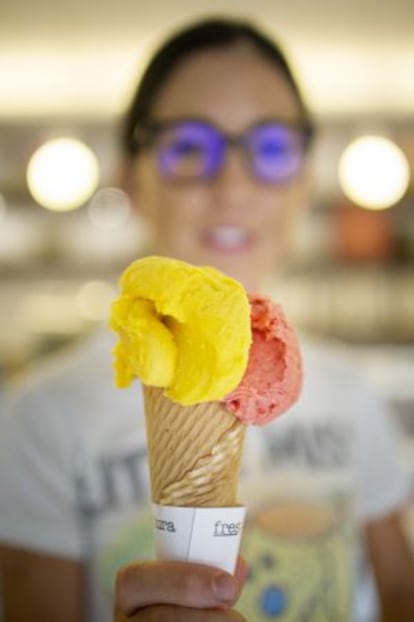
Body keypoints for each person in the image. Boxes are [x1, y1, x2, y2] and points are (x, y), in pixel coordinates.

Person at [1, 17, 413, 622]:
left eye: (271, 149)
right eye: (189, 148)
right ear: (131, 180)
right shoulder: (41, 418)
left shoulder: (354, 397)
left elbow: (399, 593)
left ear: (303, 182)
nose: (232, 183)